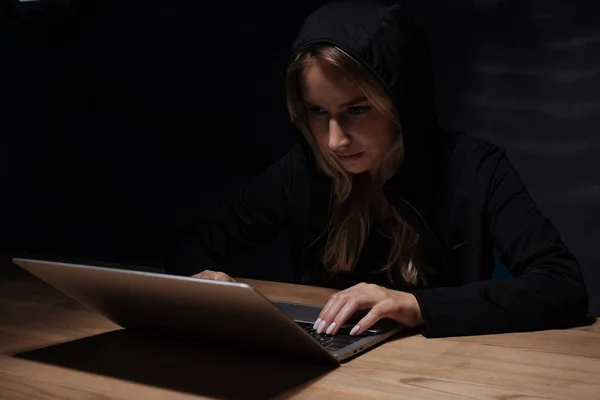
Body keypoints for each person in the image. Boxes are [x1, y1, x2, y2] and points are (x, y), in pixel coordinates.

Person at [170, 0, 590, 338]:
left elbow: (562, 286)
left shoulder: (475, 169)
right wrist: (200, 277)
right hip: (329, 369)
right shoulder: (303, 169)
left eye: (356, 110)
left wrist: (418, 306)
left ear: (400, 103)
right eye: (317, 112)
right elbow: (196, 240)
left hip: (445, 376)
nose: (335, 140)